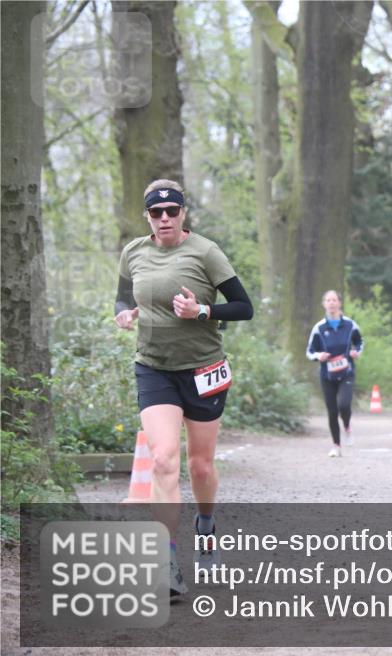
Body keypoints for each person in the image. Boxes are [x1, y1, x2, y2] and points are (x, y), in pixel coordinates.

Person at [114, 179, 254, 598]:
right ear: (147, 217)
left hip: (203, 369)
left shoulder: (205, 252)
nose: (164, 219)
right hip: (154, 368)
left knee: (201, 467)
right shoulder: (133, 252)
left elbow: (244, 307)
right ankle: (167, 560)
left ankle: (206, 524)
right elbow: (121, 299)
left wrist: (202, 310)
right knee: (162, 460)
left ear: (183, 213)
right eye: (155, 213)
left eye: (171, 211)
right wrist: (124, 315)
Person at [306, 290, 363, 458]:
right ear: (324, 304)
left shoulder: (350, 325)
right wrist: (319, 356)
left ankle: (347, 426)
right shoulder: (319, 328)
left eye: (334, 300)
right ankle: (336, 445)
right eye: (328, 300)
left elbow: (359, 341)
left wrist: (356, 352)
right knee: (331, 411)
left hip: (346, 372)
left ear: (339, 303)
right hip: (327, 375)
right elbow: (310, 351)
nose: (331, 303)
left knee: (344, 405)